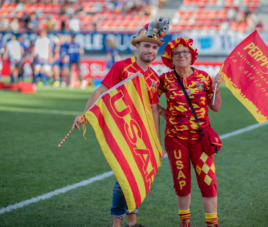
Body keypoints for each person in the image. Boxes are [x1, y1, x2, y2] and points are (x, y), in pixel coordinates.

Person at [71, 21, 166, 227]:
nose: (150, 50)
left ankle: (132, 222)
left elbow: (153, 110)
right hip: (121, 133)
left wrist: (156, 141)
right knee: (124, 176)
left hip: (142, 135)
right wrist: (84, 114)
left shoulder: (154, 78)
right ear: (137, 47)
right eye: (146, 45)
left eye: (154, 47)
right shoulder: (121, 67)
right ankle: (117, 224)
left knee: (137, 177)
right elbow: (100, 91)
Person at [158, 37, 222, 227]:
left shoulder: (203, 77)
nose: (181, 56)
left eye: (185, 52)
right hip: (175, 139)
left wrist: (217, 88)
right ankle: (184, 222)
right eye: (176, 53)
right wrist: (165, 113)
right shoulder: (165, 79)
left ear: (192, 55)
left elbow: (215, 107)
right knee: (181, 181)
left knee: (208, 181)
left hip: (200, 140)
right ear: (171, 58)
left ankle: (212, 223)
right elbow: (150, 102)